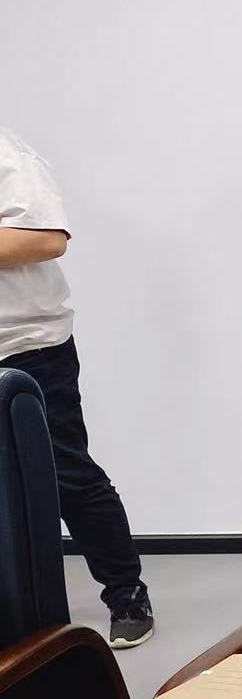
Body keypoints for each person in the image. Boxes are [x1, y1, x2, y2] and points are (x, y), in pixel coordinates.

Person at [0, 127, 153, 647]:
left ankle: (126, 593)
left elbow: (46, 238)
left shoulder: (9, 155)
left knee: (67, 475)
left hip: (27, 346)